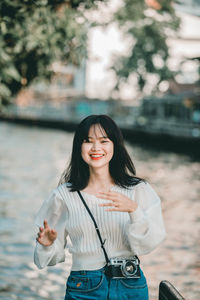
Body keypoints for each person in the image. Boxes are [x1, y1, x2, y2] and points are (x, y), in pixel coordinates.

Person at [34, 114, 166, 300]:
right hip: (84, 287)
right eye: (88, 141)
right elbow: (47, 258)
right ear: (79, 146)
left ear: (115, 145)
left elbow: (149, 244)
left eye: (104, 141)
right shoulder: (63, 196)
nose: (96, 148)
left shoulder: (138, 190)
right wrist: (46, 245)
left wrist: (134, 211)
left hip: (130, 284)